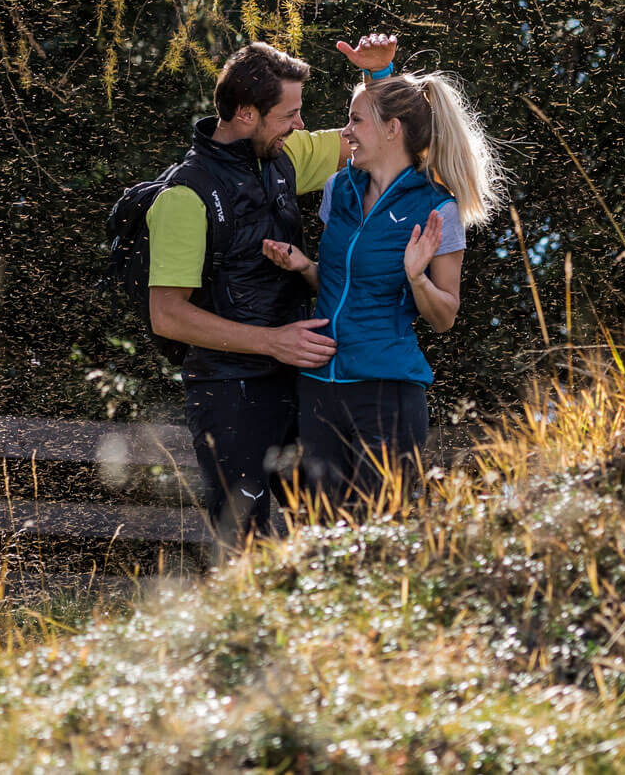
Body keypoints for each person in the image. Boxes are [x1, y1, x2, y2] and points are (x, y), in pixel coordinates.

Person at [147, 36, 396, 550]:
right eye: (289, 114)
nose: (300, 125)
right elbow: (167, 316)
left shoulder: (282, 155)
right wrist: (272, 342)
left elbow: (370, 139)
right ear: (245, 114)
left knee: (341, 521)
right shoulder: (184, 197)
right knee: (245, 546)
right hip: (228, 393)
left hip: (301, 378)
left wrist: (378, 74)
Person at [263, 62, 506, 514]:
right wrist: (304, 267)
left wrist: (416, 278)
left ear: (393, 129)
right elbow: (344, 284)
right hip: (319, 384)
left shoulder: (437, 209)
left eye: (356, 120)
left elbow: (445, 316)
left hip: (385, 391)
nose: (346, 131)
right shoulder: (339, 190)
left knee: (378, 531)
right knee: (320, 533)